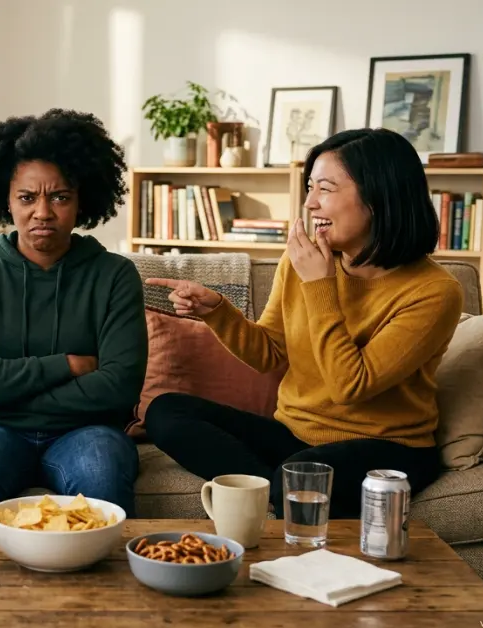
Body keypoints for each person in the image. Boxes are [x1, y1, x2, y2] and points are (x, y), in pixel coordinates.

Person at [144, 128, 463, 518]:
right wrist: (217, 313)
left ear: (379, 196)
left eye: (325, 189)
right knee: (166, 411)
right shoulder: (302, 262)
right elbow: (269, 353)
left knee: (298, 476)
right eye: (310, 188)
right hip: (296, 435)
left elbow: (350, 386)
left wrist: (321, 285)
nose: (310, 203)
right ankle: (276, 495)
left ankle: (279, 492)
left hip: (388, 448)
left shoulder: (434, 291)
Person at [0, 109, 148, 518]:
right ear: (6, 200)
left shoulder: (115, 275)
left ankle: (104, 566)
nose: (43, 212)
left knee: (102, 467)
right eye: (27, 197)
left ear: (82, 200)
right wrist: (68, 365)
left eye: (60, 197)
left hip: (86, 431)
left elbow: (119, 387)